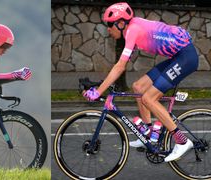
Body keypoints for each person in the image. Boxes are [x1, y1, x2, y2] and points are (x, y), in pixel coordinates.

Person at [83, 2, 198, 162]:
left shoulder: (133, 30)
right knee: (138, 87)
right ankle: (150, 134)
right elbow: (119, 66)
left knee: (148, 98)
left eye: (110, 25)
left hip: (186, 58)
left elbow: (120, 67)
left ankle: (182, 141)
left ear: (121, 23)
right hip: (178, 57)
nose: (108, 29)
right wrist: (100, 85)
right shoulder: (131, 30)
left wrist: (98, 92)